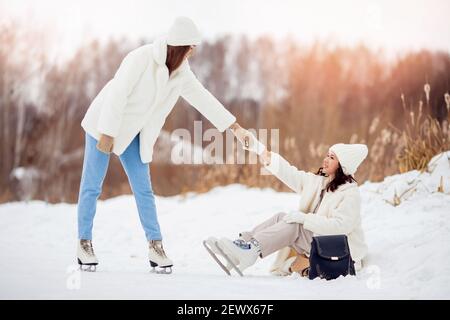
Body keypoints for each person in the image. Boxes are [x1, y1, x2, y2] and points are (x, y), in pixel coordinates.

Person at [76, 17, 249, 272]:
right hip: (104, 125)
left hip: (134, 133)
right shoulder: (141, 58)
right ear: (181, 46)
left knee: (144, 190)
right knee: (92, 185)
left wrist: (233, 126)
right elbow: (117, 93)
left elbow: (203, 99)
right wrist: (108, 133)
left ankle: (155, 246)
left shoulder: (182, 72)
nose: (193, 51)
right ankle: (84, 242)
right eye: (192, 47)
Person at [206, 138, 369, 276]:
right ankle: (241, 246)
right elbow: (290, 173)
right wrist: (266, 155)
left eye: (332, 158)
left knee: (295, 224)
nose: (325, 159)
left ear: (343, 165)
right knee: (281, 217)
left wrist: (304, 219)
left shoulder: (350, 194)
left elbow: (341, 227)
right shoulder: (318, 182)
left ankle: (250, 250)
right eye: (327, 155)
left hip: (339, 252)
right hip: (318, 241)